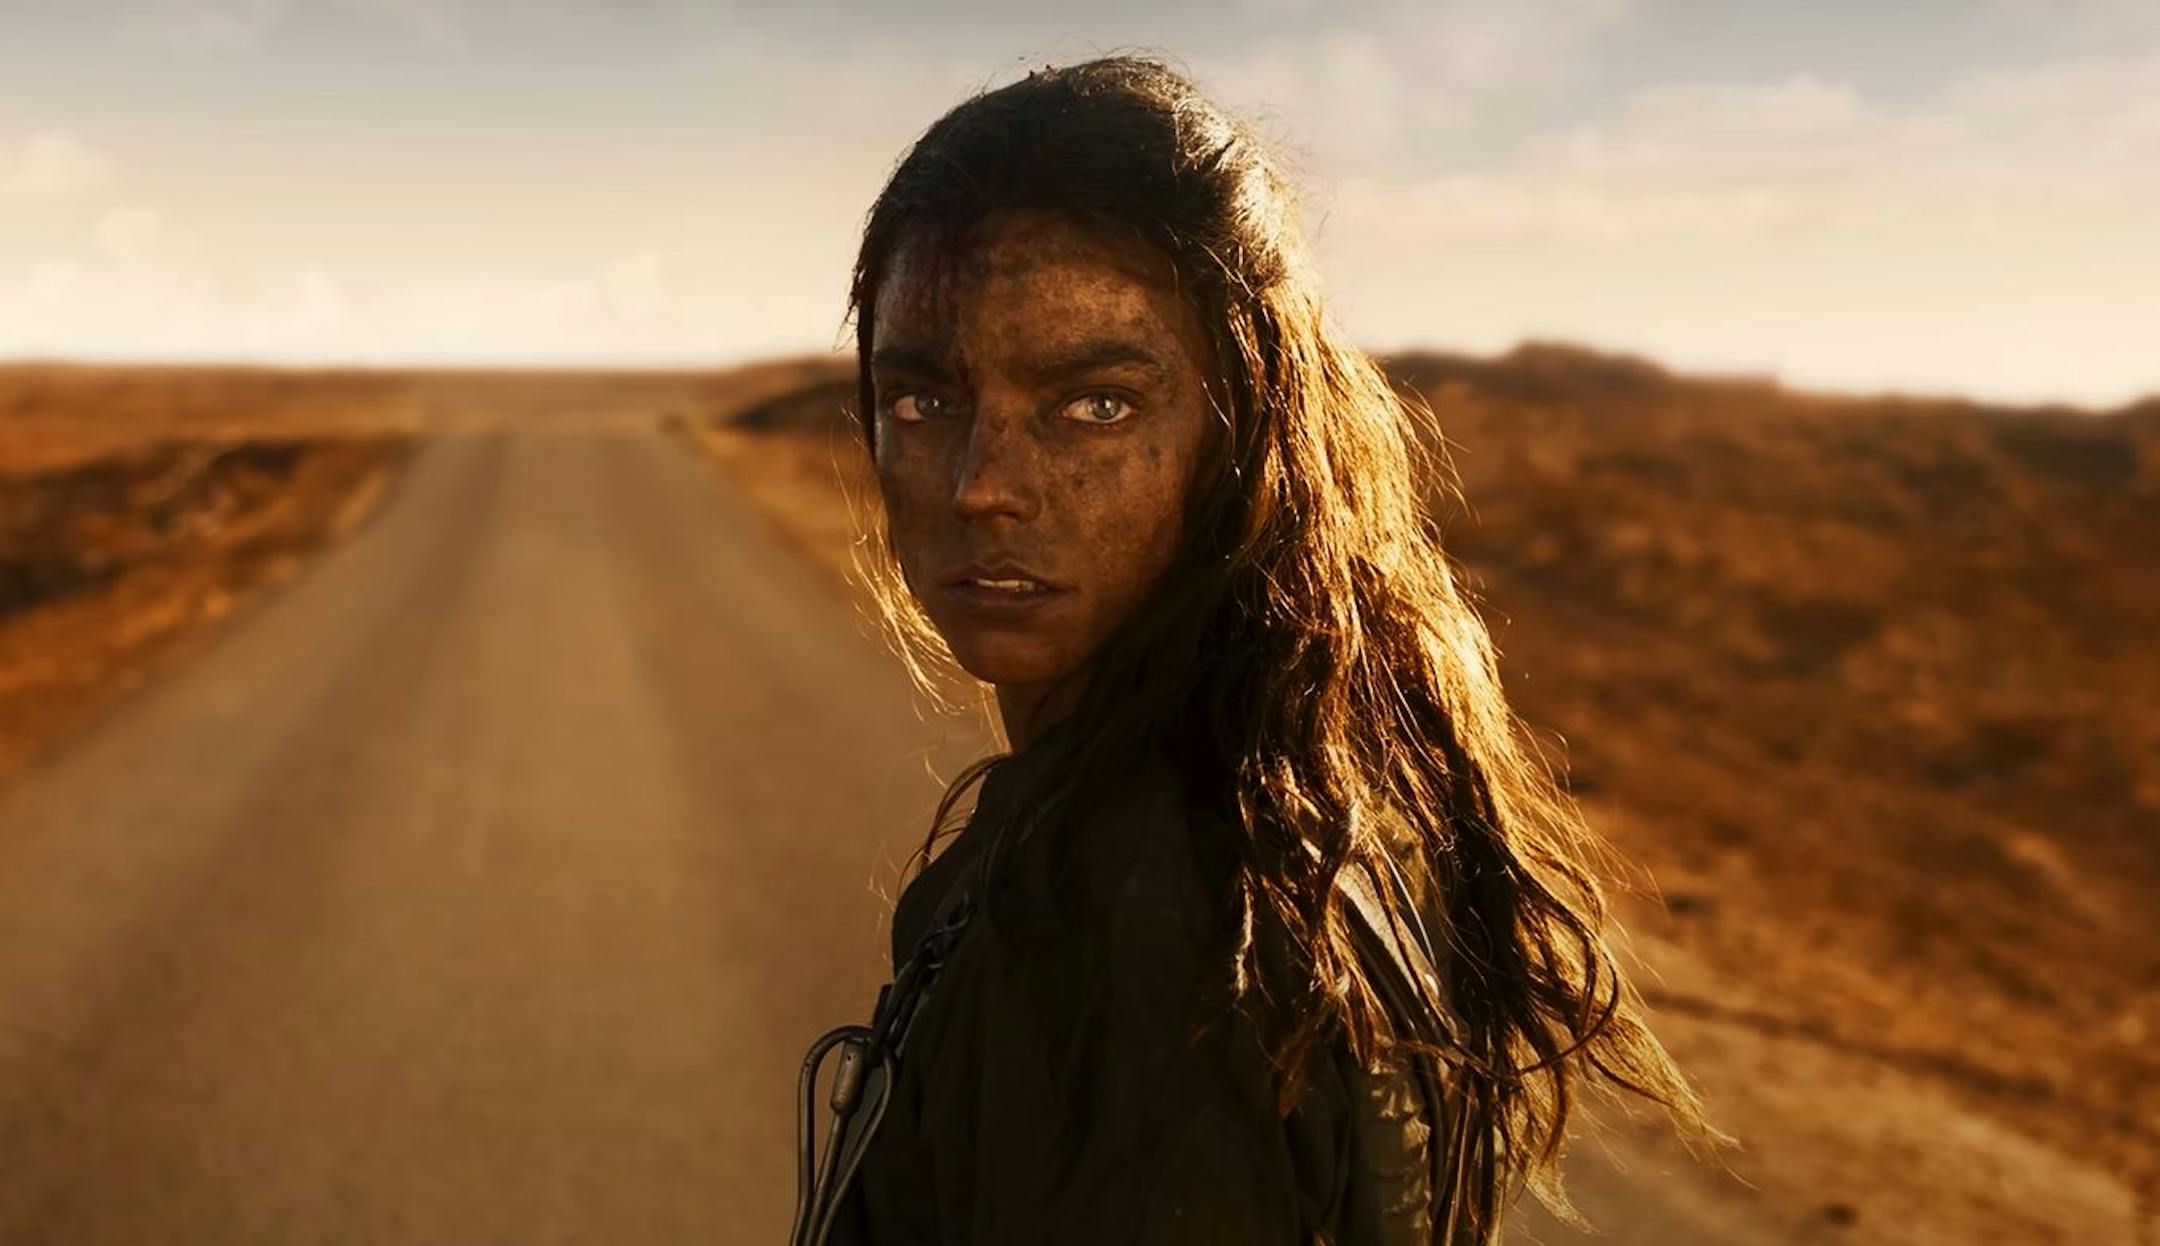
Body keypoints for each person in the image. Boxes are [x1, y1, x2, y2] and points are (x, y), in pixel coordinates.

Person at [792, 55, 1712, 1246]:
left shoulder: (1150, 913)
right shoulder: (1314, 797)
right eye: (923, 401)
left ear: (1249, 422)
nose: (982, 487)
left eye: (1096, 404)